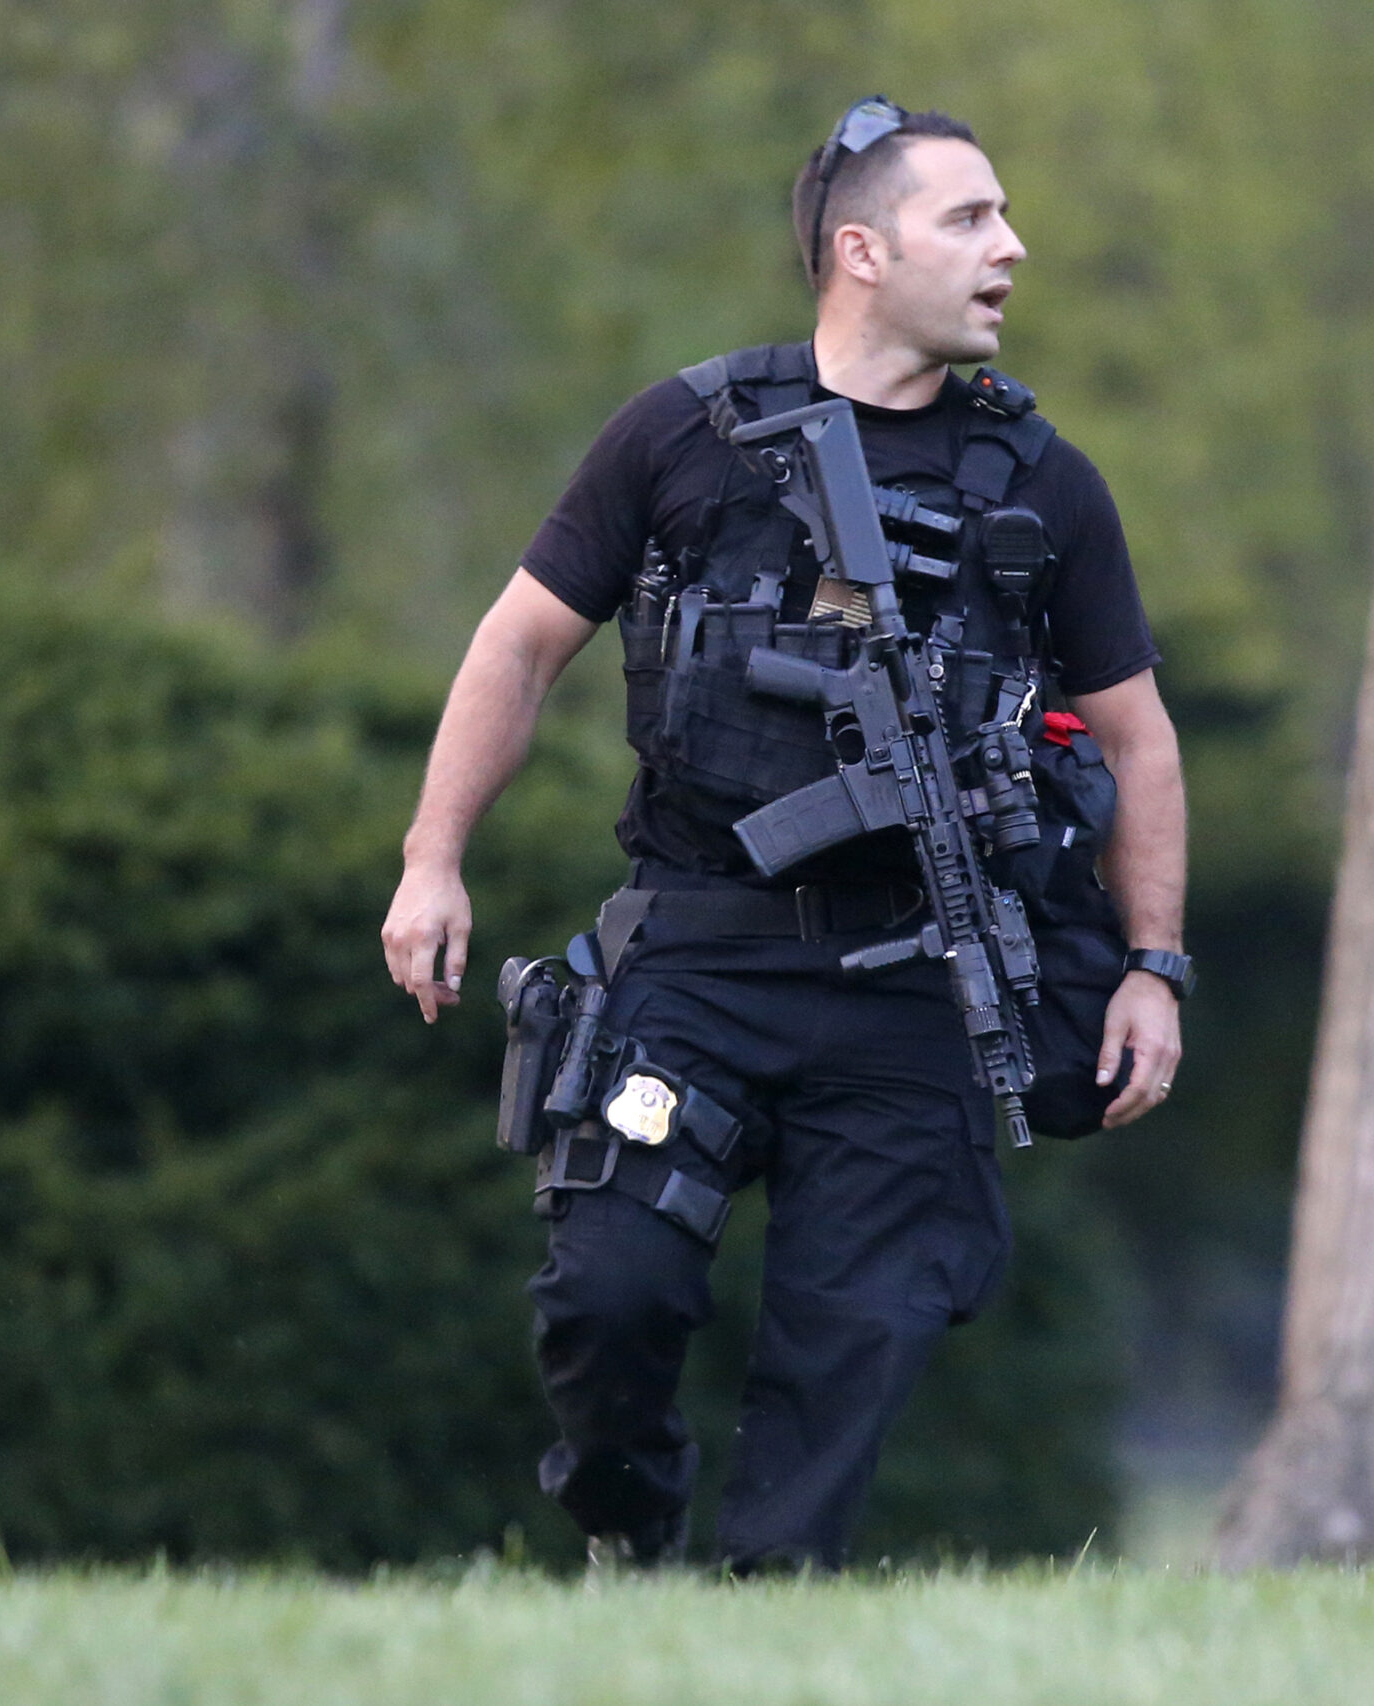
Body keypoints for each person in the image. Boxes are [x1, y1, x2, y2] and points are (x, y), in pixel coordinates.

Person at [379, 98, 1189, 1573]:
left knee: (849, 1353)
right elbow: (516, 648)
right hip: (697, 956)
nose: (1013, 248)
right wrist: (435, 854)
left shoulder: (1042, 485)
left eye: (1007, 218)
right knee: (609, 1289)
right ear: (862, 252)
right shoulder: (682, 436)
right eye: (972, 220)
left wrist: (1153, 964)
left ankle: (761, 1631)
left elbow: (1133, 734)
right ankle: (629, 1531)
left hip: (910, 996)